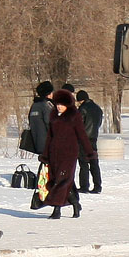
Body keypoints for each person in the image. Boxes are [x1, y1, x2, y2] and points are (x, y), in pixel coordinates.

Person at [39, 89, 97, 219]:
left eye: (62, 104)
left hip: (69, 154)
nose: (59, 106)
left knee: (62, 180)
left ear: (68, 105)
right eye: (57, 103)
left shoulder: (74, 116)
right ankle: (76, 204)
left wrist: (89, 152)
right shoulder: (53, 115)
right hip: (55, 154)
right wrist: (45, 155)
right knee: (63, 181)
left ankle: (56, 209)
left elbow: (82, 135)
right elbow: (50, 137)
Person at [76, 90, 104, 193]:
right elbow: (99, 123)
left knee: (83, 163)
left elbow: (79, 124)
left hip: (83, 139)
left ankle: (84, 186)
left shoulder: (82, 109)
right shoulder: (97, 108)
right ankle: (97, 186)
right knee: (94, 162)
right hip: (93, 138)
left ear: (80, 100)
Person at [27, 81, 54, 154]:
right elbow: (50, 123)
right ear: (48, 94)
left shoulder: (34, 105)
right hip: (49, 144)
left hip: (37, 142)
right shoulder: (47, 105)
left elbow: (30, 121)